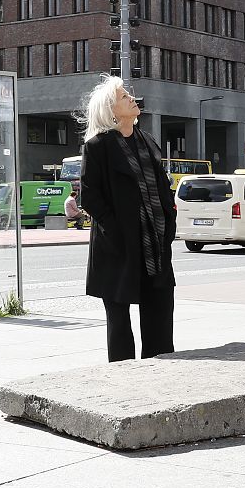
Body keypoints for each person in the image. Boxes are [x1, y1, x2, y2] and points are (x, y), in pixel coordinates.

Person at [79, 77, 177, 362]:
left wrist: (168, 220)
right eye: (124, 97)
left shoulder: (147, 142)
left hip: (154, 246)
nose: (132, 99)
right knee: (119, 319)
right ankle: (122, 376)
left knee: (159, 312)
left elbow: (163, 187)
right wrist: (117, 230)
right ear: (111, 111)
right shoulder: (97, 147)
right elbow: (90, 198)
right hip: (117, 248)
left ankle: (160, 367)